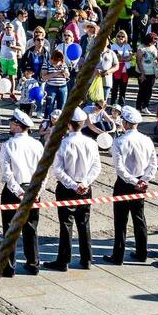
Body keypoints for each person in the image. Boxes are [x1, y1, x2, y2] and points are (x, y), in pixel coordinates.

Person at [45, 108, 101, 272]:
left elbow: (58, 170)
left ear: (69, 124)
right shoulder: (91, 143)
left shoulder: (62, 143)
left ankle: (63, 260)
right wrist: (85, 183)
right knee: (84, 223)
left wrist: (73, 185)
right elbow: (96, 167)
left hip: (67, 188)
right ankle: (86, 258)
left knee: (66, 224)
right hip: (85, 187)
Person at [103, 107, 156, 265]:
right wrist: (143, 180)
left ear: (125, 123)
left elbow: (120, 169)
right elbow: (153, 164)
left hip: (124, 183)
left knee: (121, 220)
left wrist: (134, 181)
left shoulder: (119, 141)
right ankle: (142, 252)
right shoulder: (147, 140)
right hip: (140, 182)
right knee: (139, 218)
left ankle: (118, 255)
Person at [0, 109, 42, 276]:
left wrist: (18, 192)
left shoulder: (8, 145)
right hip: (32, 189)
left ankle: (9, 266)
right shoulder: (37, 145)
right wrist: (37, 191)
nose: (10, 124)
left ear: (17, 124)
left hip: (13, 191)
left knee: (10, 228)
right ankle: (33, 263)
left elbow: (7, 174)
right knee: (31, 227)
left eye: (11, 122)